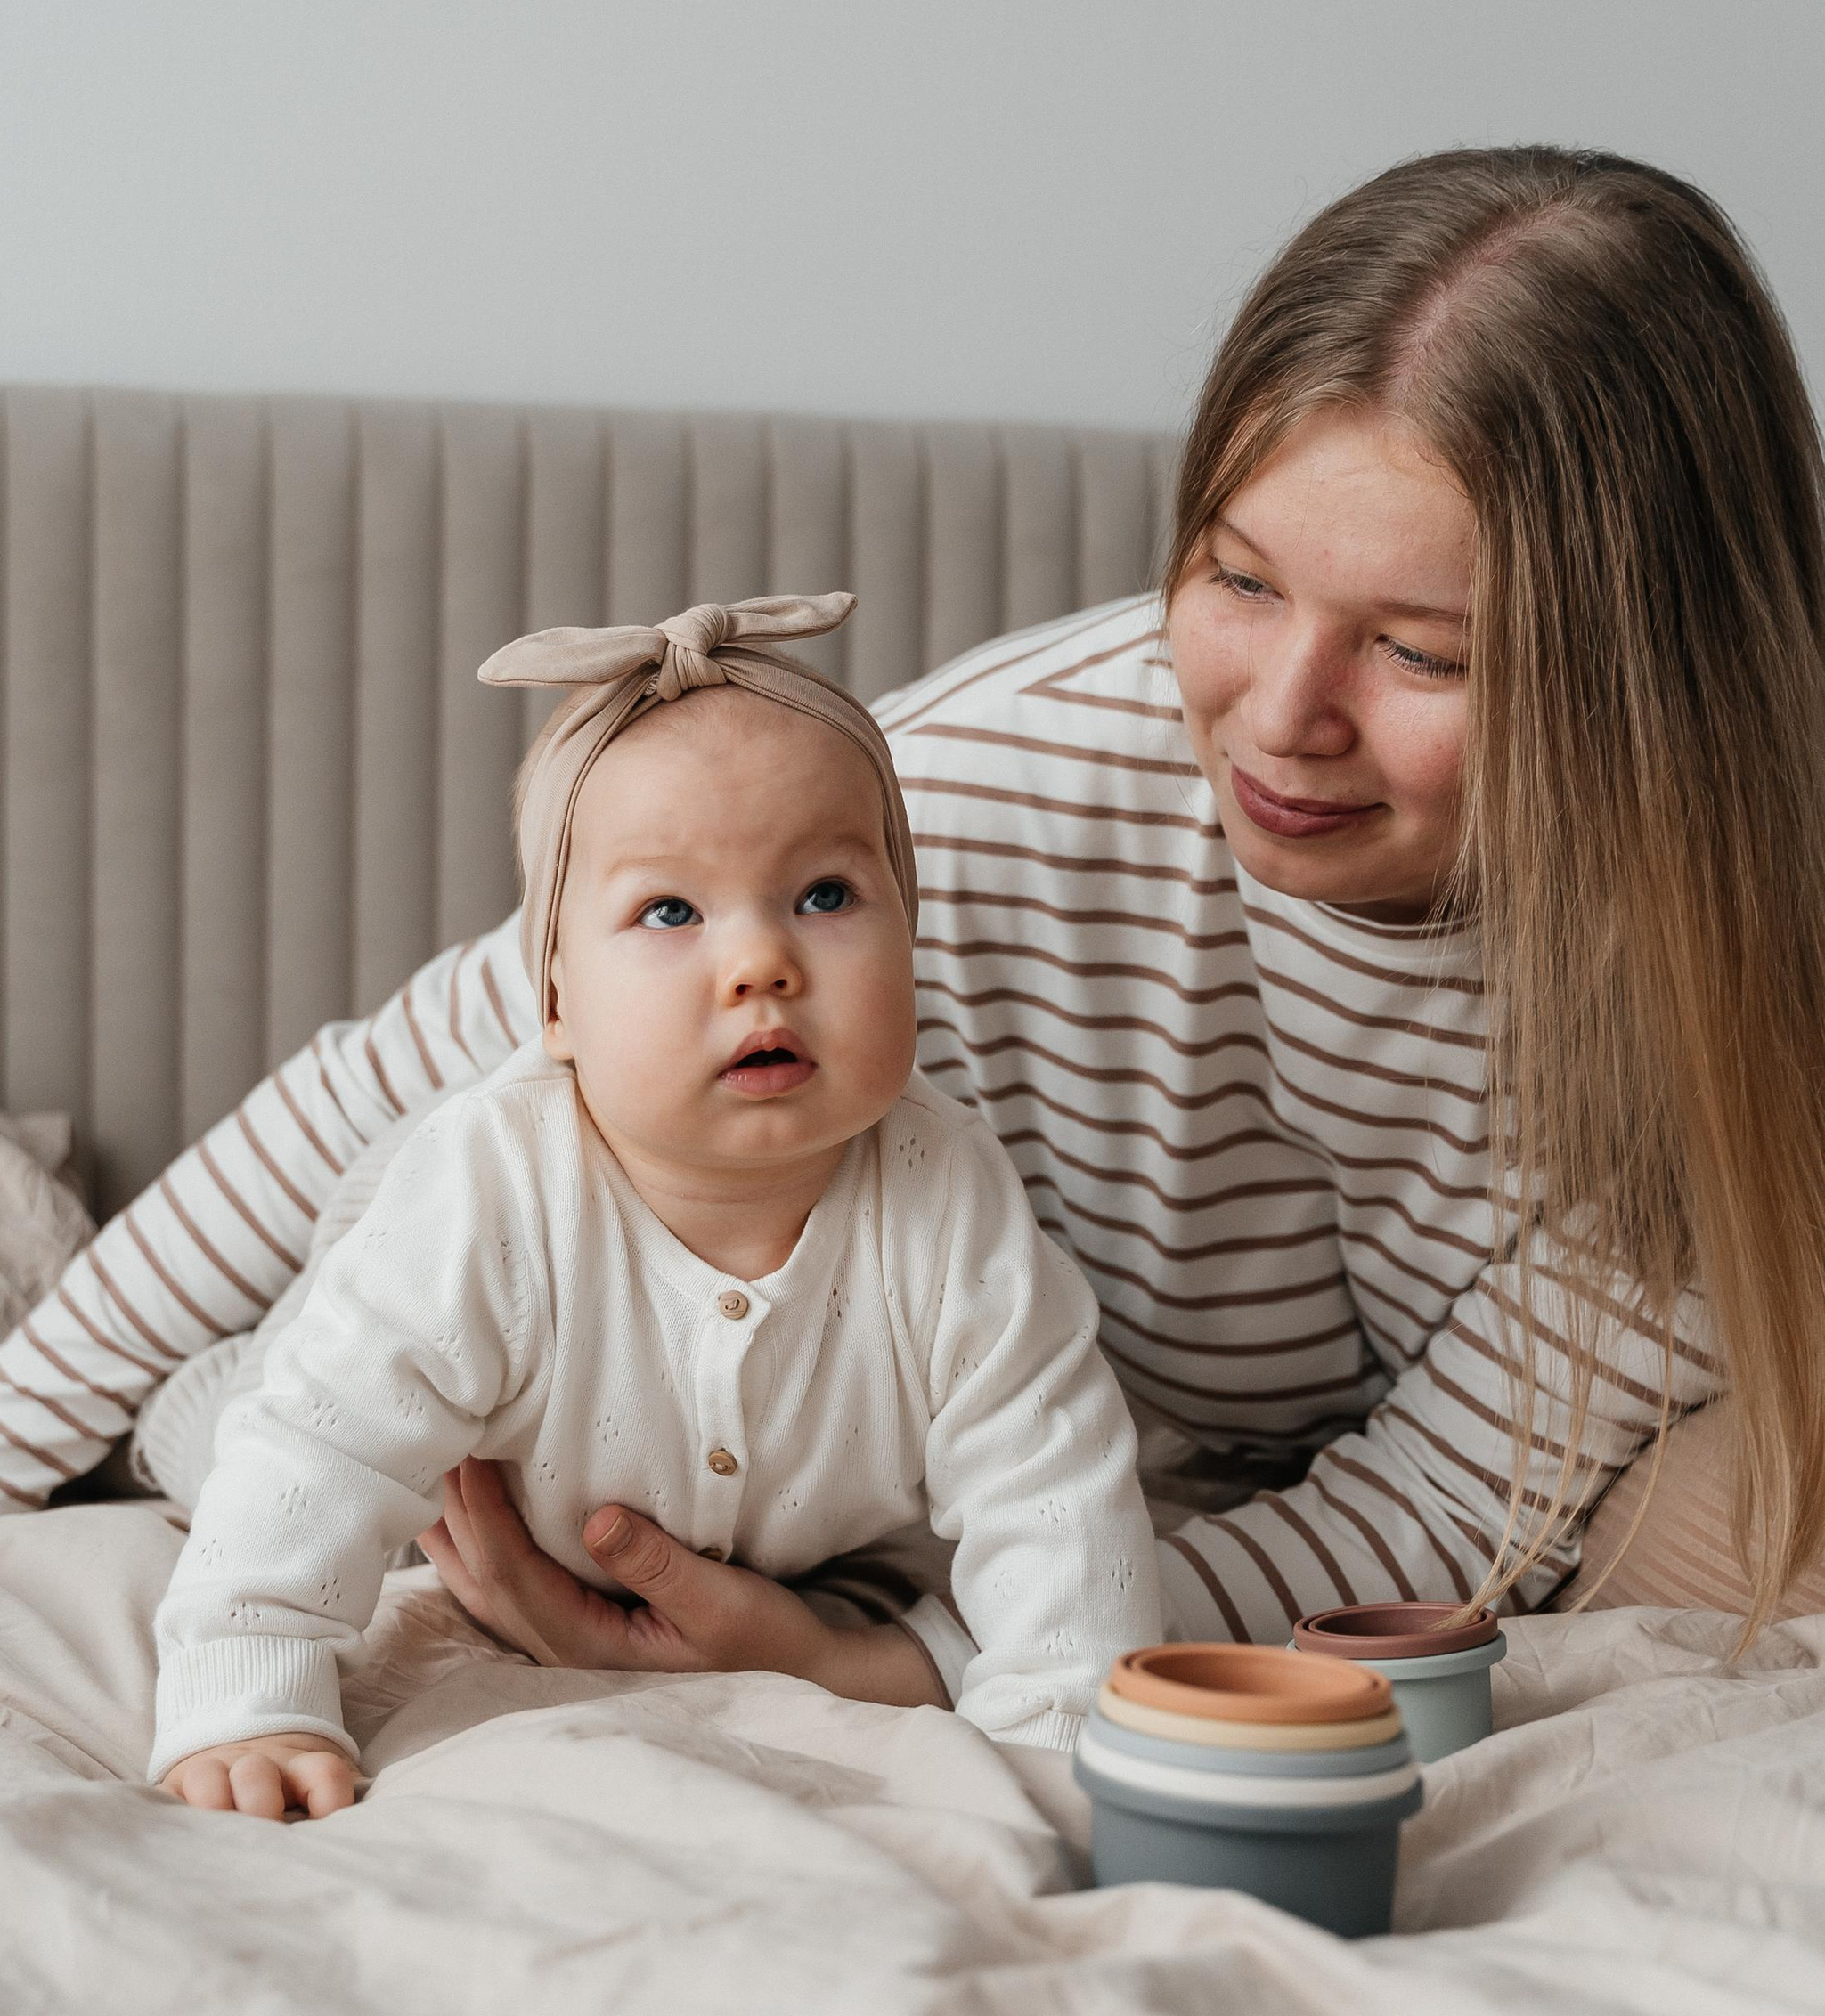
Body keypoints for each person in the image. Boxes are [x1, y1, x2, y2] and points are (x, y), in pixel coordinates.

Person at [0, 146, 1825, 1687]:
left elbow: (1432, 1507)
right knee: (322, 1371)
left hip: (1151, 1497)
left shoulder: (1720, 1006)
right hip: (964, 1429)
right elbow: (405, 1076)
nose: (1276, 717)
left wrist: (902, 1662)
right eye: (1235, 578)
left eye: (1421, 655)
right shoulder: (996, 784)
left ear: (1644, 678)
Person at [150, 594, 1159, 1817]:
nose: (762, 964)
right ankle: (191, 1401)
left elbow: (1055, 1501)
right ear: (557, 1004)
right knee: (255, 1445)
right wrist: (245, 1693)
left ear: (912, 933)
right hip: (427, 1380)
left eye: (829, 896)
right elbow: (318, 1450)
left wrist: (1056, 1746)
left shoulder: (953, 1206)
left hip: (793, 1536)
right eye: (671, 913)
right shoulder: (493, 1195)